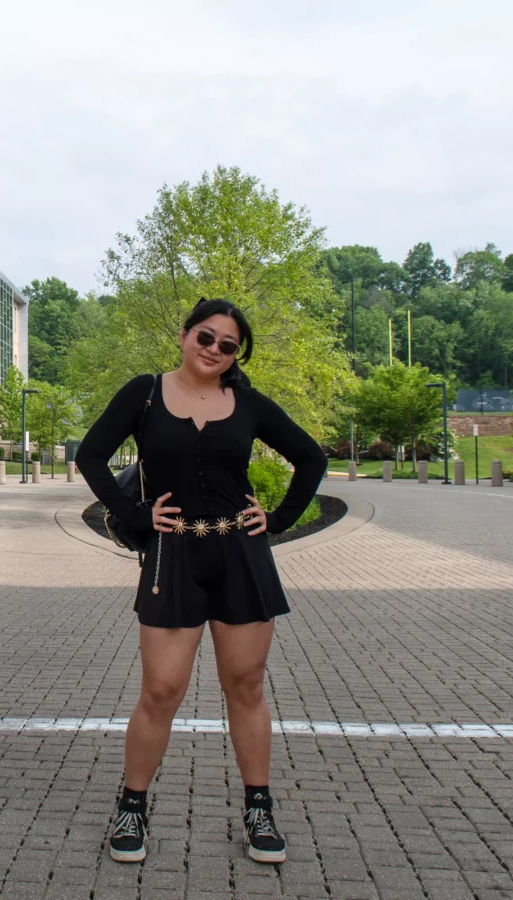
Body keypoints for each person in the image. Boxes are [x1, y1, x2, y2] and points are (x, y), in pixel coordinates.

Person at [75, 298, 327, 866]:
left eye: (228, 345)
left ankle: (258, 808)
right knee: (161, 689)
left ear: (237, 354)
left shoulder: (249, 404)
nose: (214, 349)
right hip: (172, 556)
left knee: (246, 686)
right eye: (206, 337)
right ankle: (132, 806)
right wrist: (135, 514)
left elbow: (311, 457)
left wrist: (279, 520)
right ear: (186, 334)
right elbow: (90, 455)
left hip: (241, 554)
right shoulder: (144, 392)